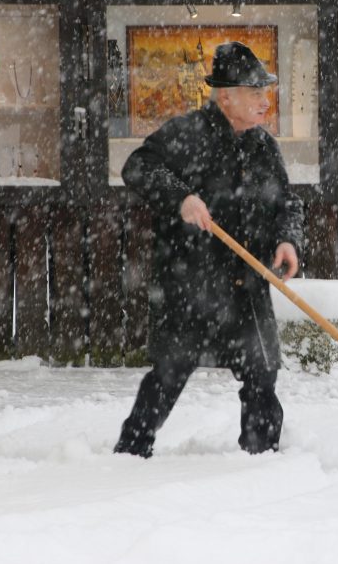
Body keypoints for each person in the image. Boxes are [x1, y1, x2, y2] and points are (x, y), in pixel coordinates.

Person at [114, 41, 304, 458]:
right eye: (254, 92)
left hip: (247, 287)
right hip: (192, 285)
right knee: (168, 375)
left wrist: (288, 240)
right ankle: (130, 453)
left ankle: (261, 458)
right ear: (225, 96)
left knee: (262, 374)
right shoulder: (187, 134)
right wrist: (181, 198)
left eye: (265, 92)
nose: (264, 101)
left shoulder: (263, 147)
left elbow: (286, 203)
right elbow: (138, 166)